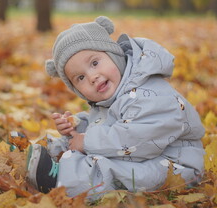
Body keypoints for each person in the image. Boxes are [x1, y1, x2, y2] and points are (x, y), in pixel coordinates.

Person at [26, 16, 205, 198]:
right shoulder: (117, 90)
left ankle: (60, 181)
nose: (92, 77)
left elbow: (134, 139)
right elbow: (105, 122)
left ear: (114, 55)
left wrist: (86, 141)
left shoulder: (148, 93)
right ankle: (47, 155)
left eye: (95, 63)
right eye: (80, 78)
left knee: (116, 171)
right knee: (87, 143)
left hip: (175, 166)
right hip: (139, 152)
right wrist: (76, 127)